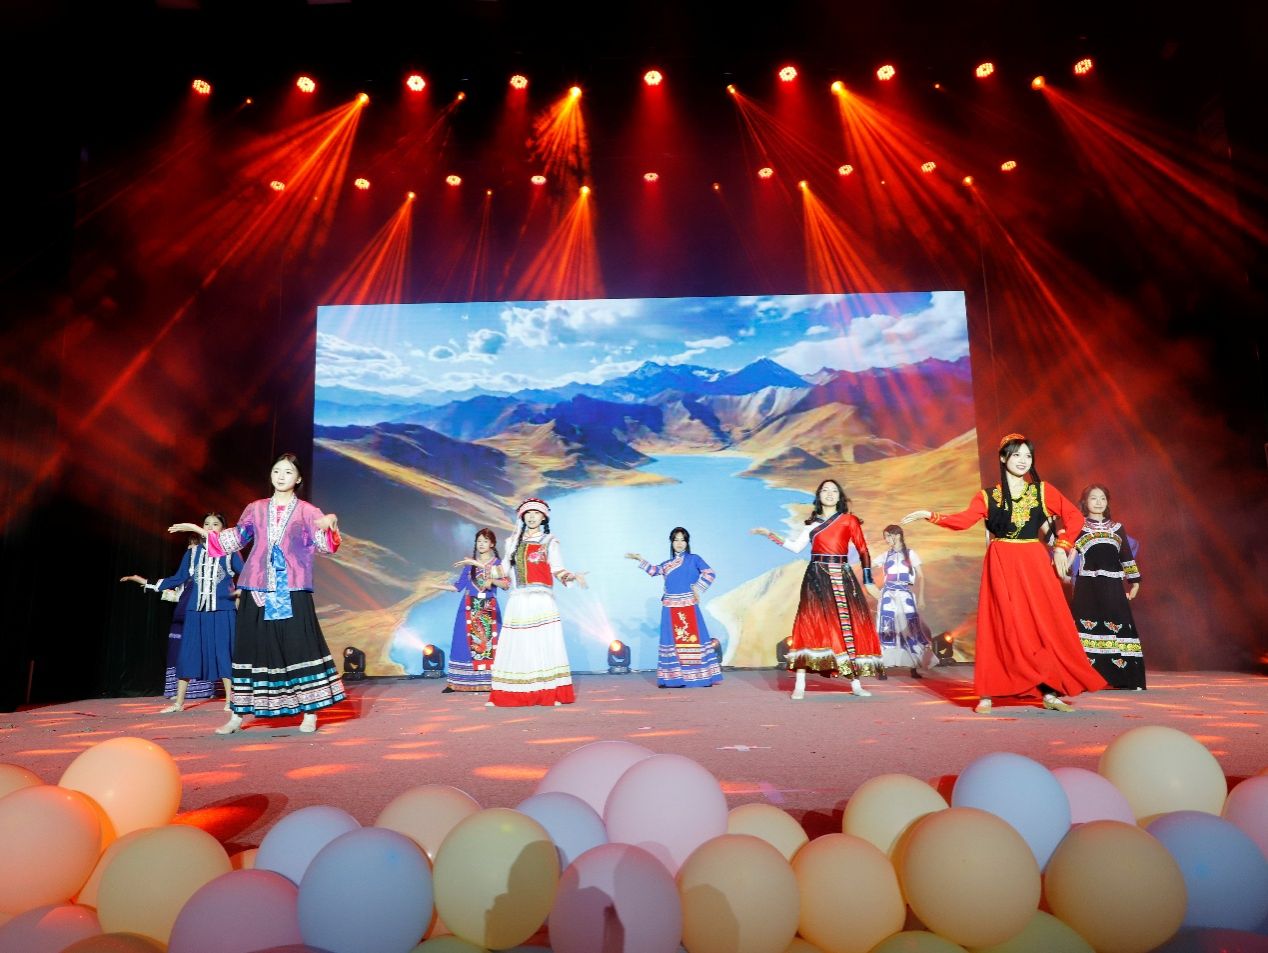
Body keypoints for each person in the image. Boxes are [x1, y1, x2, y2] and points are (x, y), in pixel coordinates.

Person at [902, 433, 1107, 713]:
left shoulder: (1041, 490)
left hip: (1033, 562)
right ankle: (989, 691)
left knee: (1042, 624)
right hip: (1001, 561)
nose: (1023, 461)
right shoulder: (988, 496)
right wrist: (931, 515)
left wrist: (1062, 547)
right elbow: (963, 520)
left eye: (1028, 456)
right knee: (1001, 623)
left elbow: (1074, 516)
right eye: (1017, 455)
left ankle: (1049, 690)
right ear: (1002, 457)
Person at [168, 452, 345, 734]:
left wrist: (330, 525)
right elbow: (236, 538)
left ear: (298, 478)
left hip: (291, 587)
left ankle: (310, 713)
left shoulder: (308, 511)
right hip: (256, 585)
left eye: (288, 472)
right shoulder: (256, 508)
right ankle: (238, 714)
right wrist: (200, 531)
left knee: (298, 646)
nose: (281, 476)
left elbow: (325, 545)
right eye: (277, 471)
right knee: (249, 648)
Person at [752, 478, 882, 700]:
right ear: (819, 496)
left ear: (839, 497)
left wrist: (868, 581)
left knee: (846, 627)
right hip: (816, 577)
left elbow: (863, 550)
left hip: (842, 577)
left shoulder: (849, 520)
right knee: (809, 623)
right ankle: (800, 684)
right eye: (825, 490)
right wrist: (770, 534)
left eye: (834, 491)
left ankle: (855, 683)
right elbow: (795, 547)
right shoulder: (811, 525)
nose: (829, 494)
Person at [122, 512, 241, 712]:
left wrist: (241, 593)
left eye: (215, 524)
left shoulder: (230, 552)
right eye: (206, 523)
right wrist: (146, 582)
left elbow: (246, 574)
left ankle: (231, 701)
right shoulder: (193, 553)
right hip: (195, 610)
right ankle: (178, 703)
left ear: (223, 529)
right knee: (188, 653)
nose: (210, 527)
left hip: (222, 609)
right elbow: (177, 579)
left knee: (223, 652)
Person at [487, 498, 584, 707]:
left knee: (543, 643)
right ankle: (509, 693)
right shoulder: (512, 542)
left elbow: (557, 569)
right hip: (519, 599)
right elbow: (503, 570)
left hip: (541, 599)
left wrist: (571, 576)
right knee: (519, 643)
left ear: (543, 518)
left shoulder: (550, 541)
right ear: (522, 517)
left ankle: (549, 693)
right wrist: (481, 566)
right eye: (528, 514)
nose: (532, 517)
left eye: (536, 513)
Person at [625, 526, 724, 688]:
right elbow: (654, 571)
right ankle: (673, 678)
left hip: (687, 605)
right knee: (672, 641)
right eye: (676, 540)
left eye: (682, 540)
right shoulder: (667, 564)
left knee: (691, 641)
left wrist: (696, 588)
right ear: (671, 542)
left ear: (687, 542)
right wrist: (640, 559)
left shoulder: (694, 559)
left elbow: (710, 573)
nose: (679, 543)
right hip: (670, 606)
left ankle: (698, 677)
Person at [1070, 484, 1146, 690]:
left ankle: (1126, 679)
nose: (1098, 502)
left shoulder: (1117, 527)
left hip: (1113, 585)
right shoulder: (1078, 526)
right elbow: (1062, 548)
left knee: (1118, 625)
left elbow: (1126, 556)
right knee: (1087, 626)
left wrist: (1134, 581)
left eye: (1102, 498)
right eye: (1093, 498)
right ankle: (1085, 679)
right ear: (1085, 502)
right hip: (1087, 585)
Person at [427, 528, 508, 693]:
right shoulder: (469, 565)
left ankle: (491, 682)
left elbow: (505, 584)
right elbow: (458, 587)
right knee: (462, 643)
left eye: (485, 541)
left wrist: (479, 567)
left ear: (492, 544)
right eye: (479, 541)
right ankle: (457, 682)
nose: (481, 544)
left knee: (490, 645)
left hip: (488, 608)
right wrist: (434, 585)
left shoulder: (498, 564)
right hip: (468, 608)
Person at [875, 523, 935, 678]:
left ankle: (914, 666)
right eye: (885, 537)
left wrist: (921, 597)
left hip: (905, 594)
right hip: (888, 595)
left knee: (910, 628)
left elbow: (921, 576)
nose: (887, 539)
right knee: (887, 628)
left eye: (888, 536)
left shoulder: (910, 554)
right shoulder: (885, 555)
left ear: (897, 535)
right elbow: (869, 564)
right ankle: (882, 666)